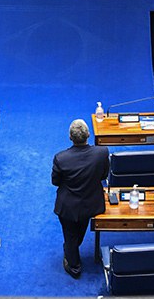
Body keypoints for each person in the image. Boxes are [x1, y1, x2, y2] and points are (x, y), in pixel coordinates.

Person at [52, 118, 109, 279]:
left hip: (68, 205)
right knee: (78, 230)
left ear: (70, 137)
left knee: (70, 235)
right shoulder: (102, 152)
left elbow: (55, 181)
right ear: (88, 135)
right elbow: (104, 175)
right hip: (91, 202)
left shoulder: (60, 158)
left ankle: (74, 266)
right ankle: (72, 249)